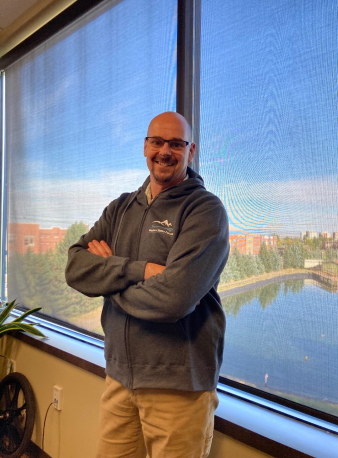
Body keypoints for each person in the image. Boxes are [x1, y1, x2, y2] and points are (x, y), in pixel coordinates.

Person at [65, 112, 229, 458]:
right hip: (120, 377)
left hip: (179, 387)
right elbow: (76, 267)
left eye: (176, 143)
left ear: (191, 151)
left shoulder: (205, 210)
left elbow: (174, 299)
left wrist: (108, 275)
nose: (165, 151)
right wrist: (139, 271)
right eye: (157, 141)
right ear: (144, 146)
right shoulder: (121, 207)